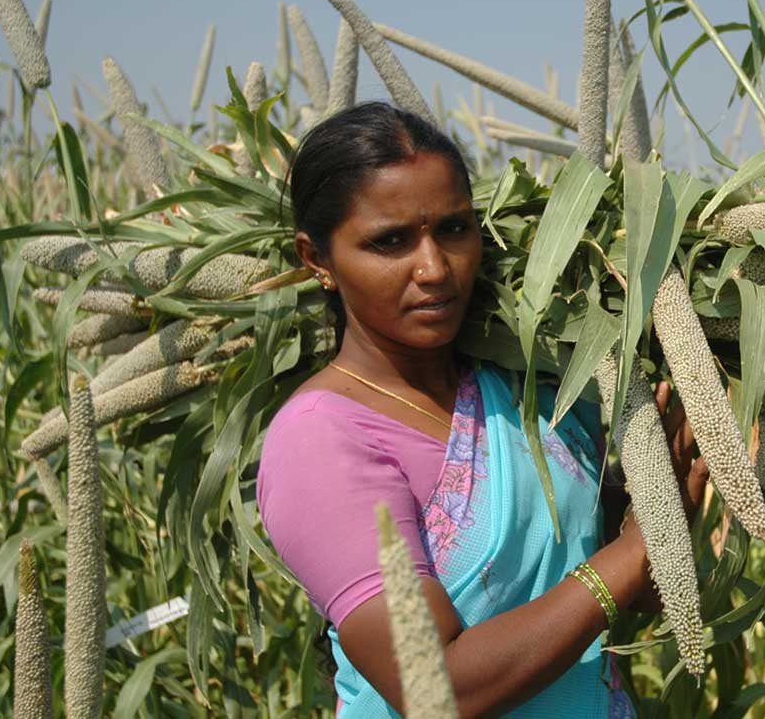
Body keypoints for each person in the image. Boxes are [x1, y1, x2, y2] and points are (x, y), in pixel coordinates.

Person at [256, 101, 709, 719]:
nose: (435, 269)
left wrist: (664, 516)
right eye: (389, 242)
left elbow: (625, 590)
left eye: (453, 229)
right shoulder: (321, 440)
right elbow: (434, 686)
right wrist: (629, 559)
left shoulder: (530, 389)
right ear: (317, 260)